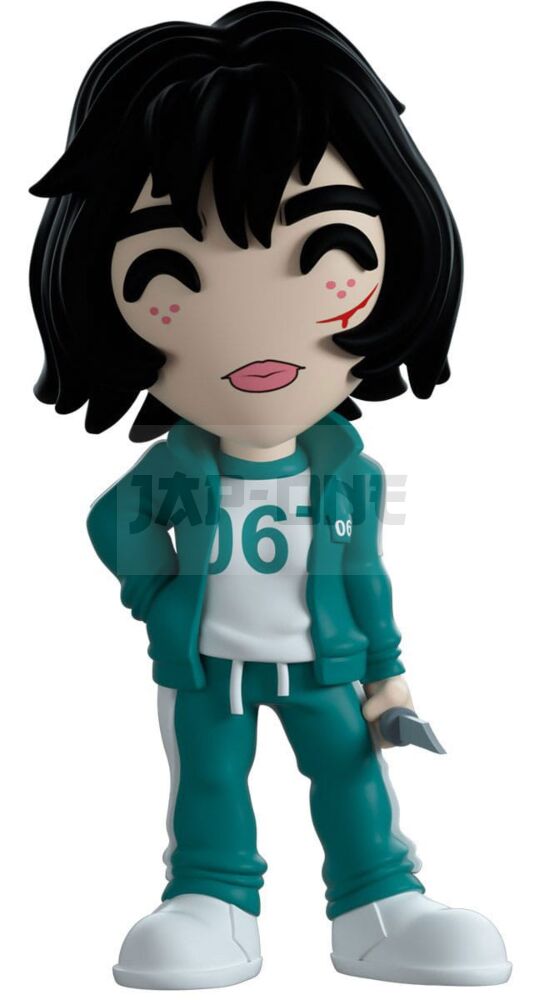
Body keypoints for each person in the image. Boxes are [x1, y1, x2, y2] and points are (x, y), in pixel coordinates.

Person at [28, 2, 511, 988]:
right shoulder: (175, 470)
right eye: (171, 274)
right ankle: (212, 901)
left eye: (325, 256)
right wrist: (159, 595)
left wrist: (388, 674)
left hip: (325, 664)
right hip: (207, 665)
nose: (255, 327)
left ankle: (378, 904)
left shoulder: (350, 476)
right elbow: (110, 521)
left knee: (352, 778)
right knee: (209, 784)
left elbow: (365, 578)